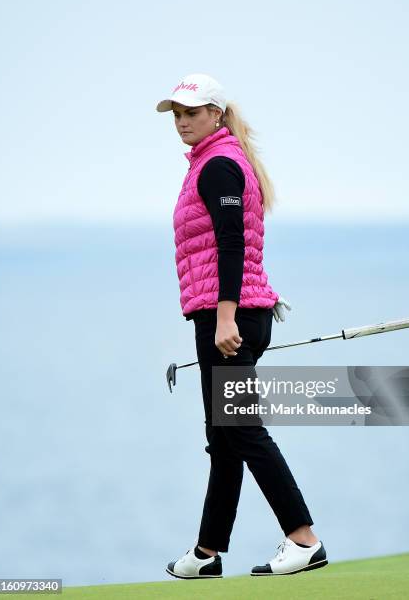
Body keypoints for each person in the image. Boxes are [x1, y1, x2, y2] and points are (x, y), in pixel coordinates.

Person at [156, 73, 328, 578]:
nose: (183, 122)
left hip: (226, 317)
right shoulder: (217, 163)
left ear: (217, 114)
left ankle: (304, 539)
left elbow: (232, 244)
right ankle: (207, 553)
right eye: (177, 115)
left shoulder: (218, 167)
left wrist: (226, 317)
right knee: (225, 434)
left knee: (242, 429)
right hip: (229, 313)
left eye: (192, 113)